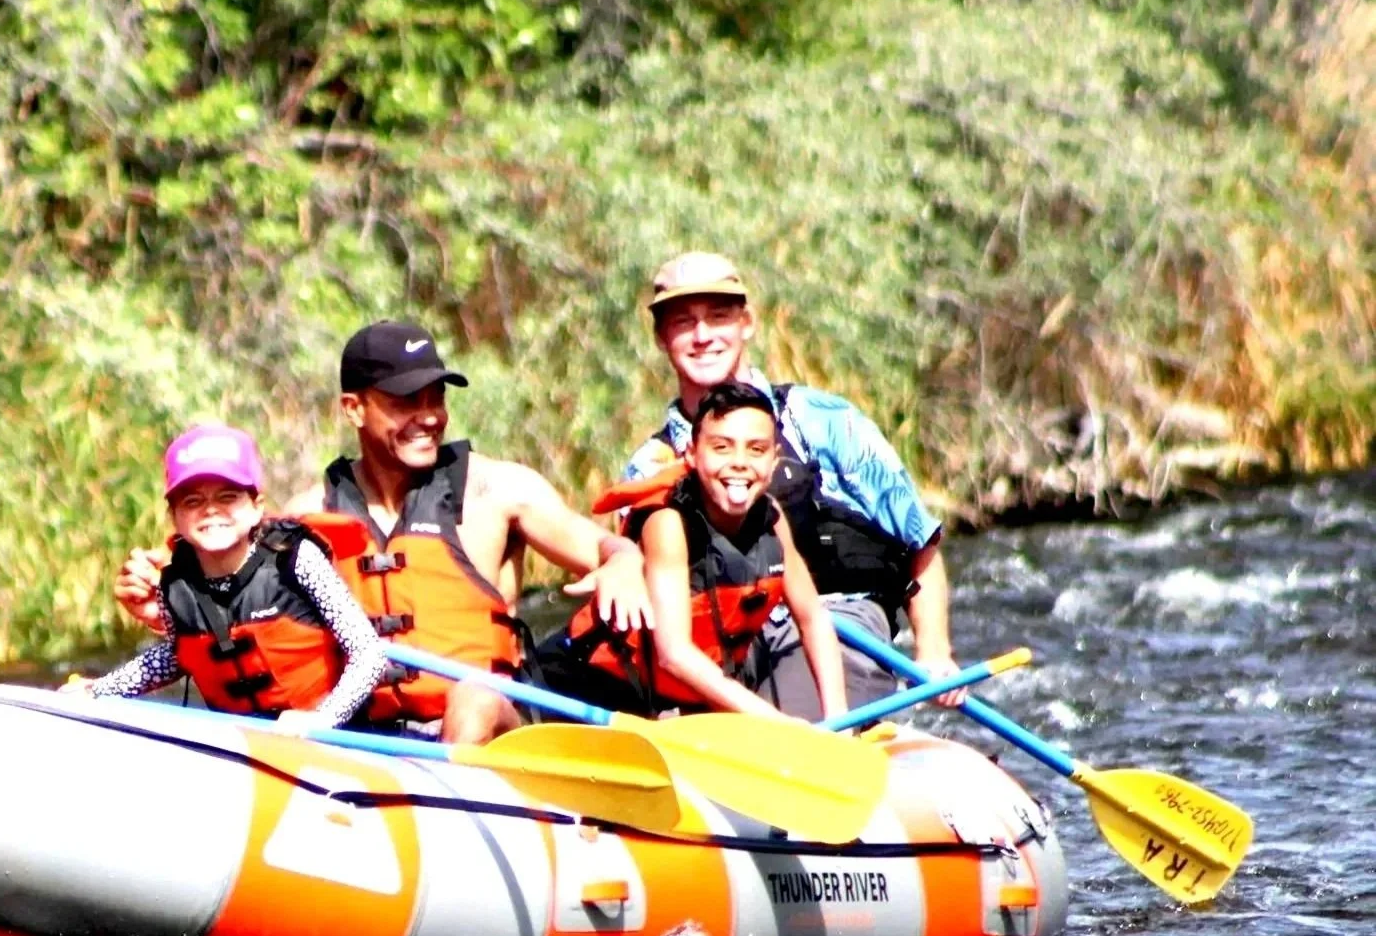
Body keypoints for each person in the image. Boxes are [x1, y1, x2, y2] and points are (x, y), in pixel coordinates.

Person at [113, 322, 652, 744]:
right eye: (403, 402)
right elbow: (241, 613)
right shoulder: (306, 515)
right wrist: (166, 615)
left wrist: (623, 558)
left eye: (435, 398)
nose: (427, 417)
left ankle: (456, 822)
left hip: (491, 732)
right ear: (354, 408)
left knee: (473, 699)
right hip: (364, 736)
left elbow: (604, 547)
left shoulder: (497, 490)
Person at [625, 252, 958, 715]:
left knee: (779, 729)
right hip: (719, 643)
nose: (702, 337)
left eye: (718, 317)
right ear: (662, 338)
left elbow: (920, 541)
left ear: (747, 323)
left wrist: (934, 651)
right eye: (684, 323)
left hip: (837, 624)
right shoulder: (649, 465)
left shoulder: (823, 420)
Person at [535, 382, 847, 720]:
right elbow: (674, 654)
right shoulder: (667, 523)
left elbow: (812, 618)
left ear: (774, 461)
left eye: (756, 449)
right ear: (692, 455)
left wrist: (840, 723)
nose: (739, 462)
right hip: (576, 690)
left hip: (666, 702)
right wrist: (777, 724)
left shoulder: (771, 518)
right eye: (722, 447)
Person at [65, 425, 386, 732]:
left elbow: (368, 653)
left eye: (228, 497)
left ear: (256, 508)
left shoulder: (298, 560)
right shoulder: (175, 584)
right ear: (174, 516)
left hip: (333, 739)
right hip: (240, 743)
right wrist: (101, 689)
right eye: (193, 501)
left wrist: (322, 720)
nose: (211, 511)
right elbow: (176, 656)